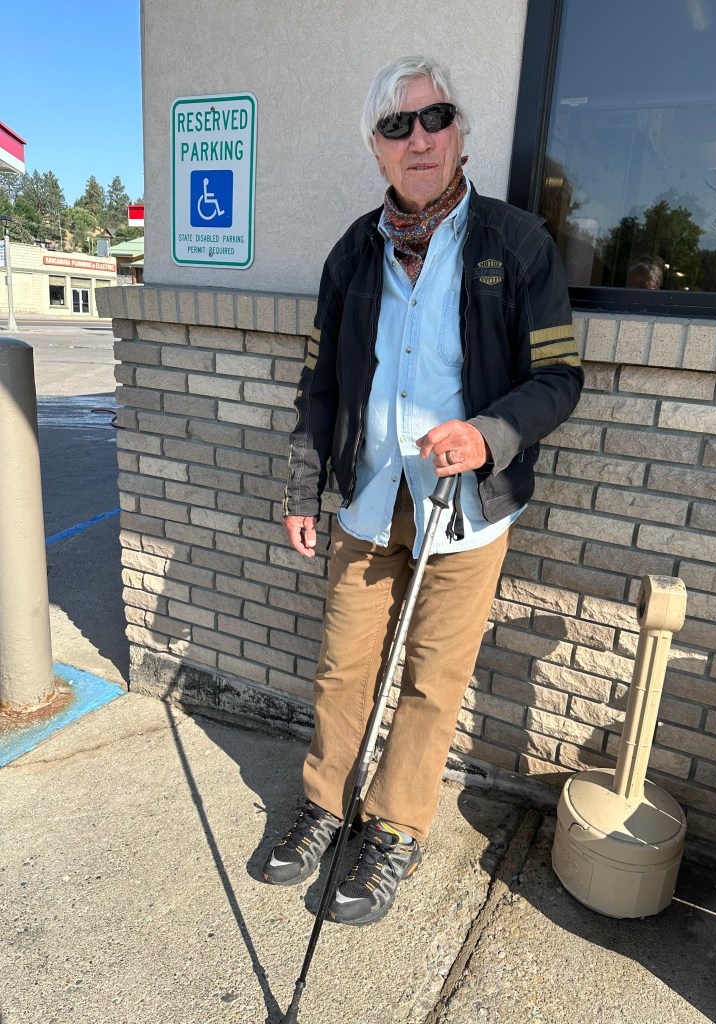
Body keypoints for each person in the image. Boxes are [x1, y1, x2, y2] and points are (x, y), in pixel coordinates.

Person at [262, 55, 583, 926]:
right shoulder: (352, 253)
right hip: (369, 500)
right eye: (396, 125)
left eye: (435, 117)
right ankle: (324, 807)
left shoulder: (516, 244)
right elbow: (321, 382)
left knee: (433, 681)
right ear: (375, 148)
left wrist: (487, 434)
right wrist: (302, 488)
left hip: (466, 507)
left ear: (460, 132)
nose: (419, 138)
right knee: (343, 666)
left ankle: (394, 828)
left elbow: (559, 378)